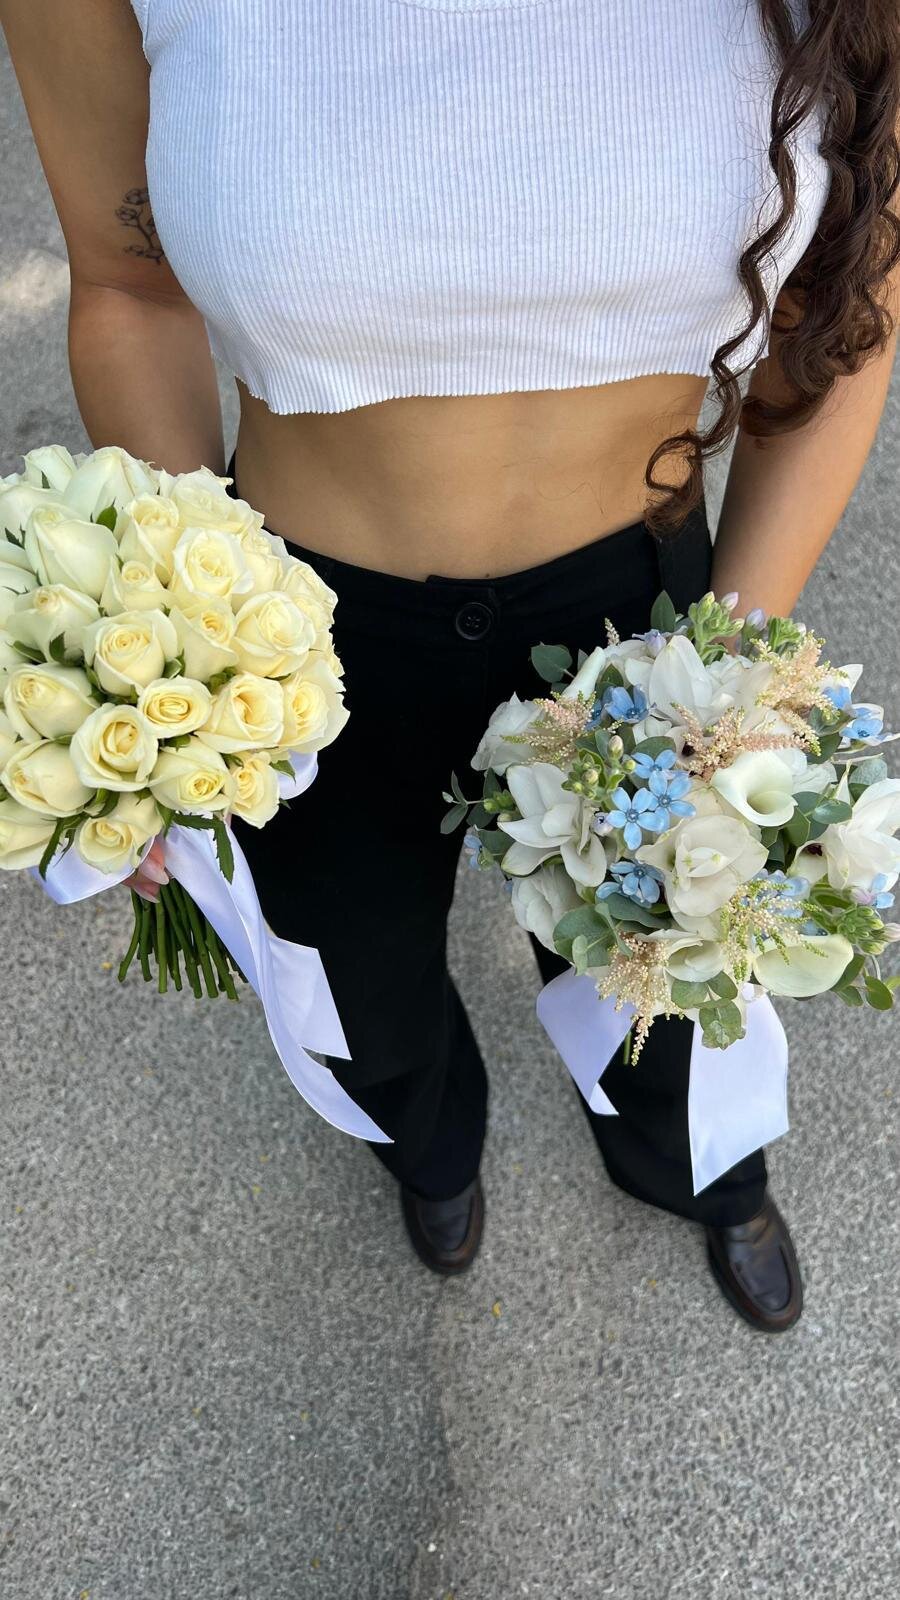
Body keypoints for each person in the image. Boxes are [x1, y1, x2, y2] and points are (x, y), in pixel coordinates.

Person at [3, 0, 898, 1334]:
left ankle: (695, 1171)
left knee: (671, 972)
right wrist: (169, 671)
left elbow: (849, 306)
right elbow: (132, 286)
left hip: (644, 620)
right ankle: (429, 1150)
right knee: (356, 989)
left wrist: (732, 677)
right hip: (296, 629)